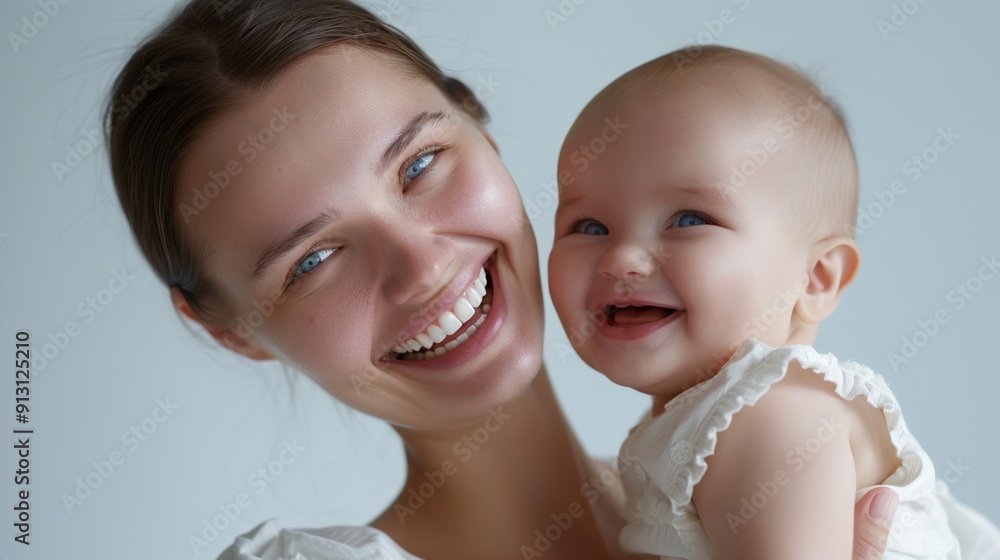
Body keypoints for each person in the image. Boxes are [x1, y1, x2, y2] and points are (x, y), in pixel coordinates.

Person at [104, 1, 900, 558]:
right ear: (229, 329)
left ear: (480, 129)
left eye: (420, 166)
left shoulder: (766, 469)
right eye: (312, 260)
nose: (422, 267)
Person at [548, 46, 1000, 559]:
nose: (621, 258)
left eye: (690, 220)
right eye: (590, 226)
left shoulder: (771, 419)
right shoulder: (702, 425)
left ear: (816, 278)